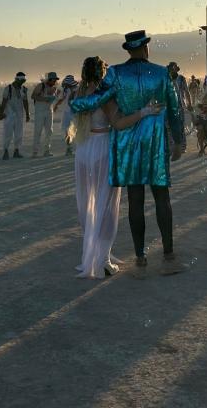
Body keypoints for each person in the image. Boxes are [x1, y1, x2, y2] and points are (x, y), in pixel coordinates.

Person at [70, 30, 187, 277]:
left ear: (128, 50)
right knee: (161, 198)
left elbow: (96, 100)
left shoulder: (115, 73)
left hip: (128, 145)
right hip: (155, 144)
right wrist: (179, 141)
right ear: (146, 48)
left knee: (135, 200)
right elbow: (176, 110)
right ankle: (168, 256)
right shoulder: (161, 73)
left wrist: (77, 103)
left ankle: (141, 258)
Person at [71, 56, 162, 279]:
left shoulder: (80, 93)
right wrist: (143, 112)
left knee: (88, 203)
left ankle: (92, 254)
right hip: (102, 148)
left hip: (84, 149)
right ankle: (102, 260)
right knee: (107, 204)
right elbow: (118, 122)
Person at [0, 72, 29, 160]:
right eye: (21, 80)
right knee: (7, 133)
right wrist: (1, 113)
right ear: (17, 79)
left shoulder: (23, 89)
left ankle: (17, 151)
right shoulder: (8, 89)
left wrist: (27, 113)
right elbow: (4, 101)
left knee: (19, 133)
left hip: (19, 114)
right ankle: (5, 151)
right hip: (9, 114)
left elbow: (25, 101)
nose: (22, 82)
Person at [31, 72, 61, 157]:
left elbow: (56, 98)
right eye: (54, 80)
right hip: (40, 111)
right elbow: (33, 96)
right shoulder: (41, 86)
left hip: (49, 111)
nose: (55, 81)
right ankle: (35, 151)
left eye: (56, 80)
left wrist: (56, 95)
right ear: (49, 79)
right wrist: (44, 99)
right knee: (38, 131)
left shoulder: (54, 88)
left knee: (49, 131)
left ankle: (47, 150)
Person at [56, 75, 79, 156]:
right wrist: (56, 105)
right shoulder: (65, 90)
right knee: (67, 130)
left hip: (74, 112)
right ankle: (69, 148)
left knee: (74, 130)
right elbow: (61, 99)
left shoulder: (77, 90)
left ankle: (74, 148)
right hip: (67, 112)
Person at [168, 62, 193, 134]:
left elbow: (187, 92)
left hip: (181, 105)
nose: (172, 70)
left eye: (173, 69)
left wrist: (189, 104)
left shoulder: (181, 79)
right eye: (171, 69)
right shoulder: (167, 79)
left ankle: (180, 140)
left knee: (180, 124)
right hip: (170, 106)